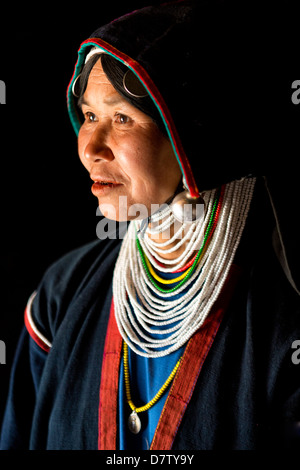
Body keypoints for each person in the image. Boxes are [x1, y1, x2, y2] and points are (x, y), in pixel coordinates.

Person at [1, 0, 300, 450]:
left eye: (122, 118)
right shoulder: (61, 297)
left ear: (193, 134)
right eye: (88, 116)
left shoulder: (282, 317)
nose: (90, 148)